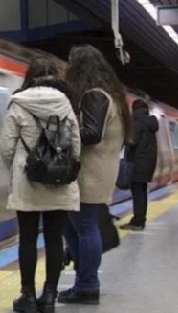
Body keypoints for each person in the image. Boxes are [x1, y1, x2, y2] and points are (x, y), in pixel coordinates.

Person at [0, 57, 81, 313]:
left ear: (30, 76)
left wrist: (17, 169)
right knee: (54, 238)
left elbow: (6, 147)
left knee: (28, 238)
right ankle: (49, 297)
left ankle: (28, 297)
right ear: (56, 77)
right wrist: (64, 168)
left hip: (27, 181)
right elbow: (76, 147)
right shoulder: (66, 104)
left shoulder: (19, 103)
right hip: (58, 182)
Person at [60, 45, 131, 305]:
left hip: (90, 172)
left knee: (85, 228)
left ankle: (88, 285)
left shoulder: (94, 96)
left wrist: (63, 133)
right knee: (74, 227)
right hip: (100, 170)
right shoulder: (112, 95)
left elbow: (91, 134)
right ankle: (84, 281)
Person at [121, 99, 158, 231]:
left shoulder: (138, 122)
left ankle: (138, 222)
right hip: (147, 164)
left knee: (138, 193)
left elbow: (132, 141)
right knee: (141, 192)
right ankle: (139, 219)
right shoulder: (150, 122)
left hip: (138, 163)